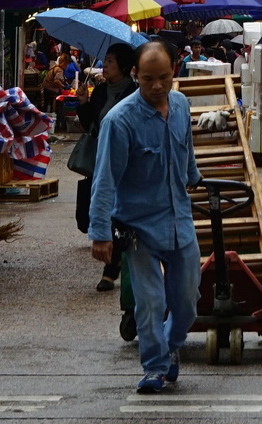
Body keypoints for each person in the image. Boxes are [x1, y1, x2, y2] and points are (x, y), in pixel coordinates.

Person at [88, 40, 201, 394]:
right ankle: (155, 367)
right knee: (150, 302)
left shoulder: (181, 105)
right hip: (138, 226)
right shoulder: (119, 121)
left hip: (179, 220)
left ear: (174, 73)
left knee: (187, 302)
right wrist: (100, 231)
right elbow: (104, 179)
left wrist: (195, 179)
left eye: (164, 78)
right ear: (135, 74)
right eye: (148, 78)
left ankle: (170, 346)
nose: (156, 86)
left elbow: (187, 154)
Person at [75, 42, 138, 291]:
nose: (105, 65)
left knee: (118, 216)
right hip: (98, 158)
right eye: (106, 60)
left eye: (110, 61)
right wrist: (83, 102)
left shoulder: (135, 92)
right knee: (88, 214)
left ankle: (111, 270)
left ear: (123, 66)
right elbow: (90, 123)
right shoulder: (100, 91)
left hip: (124, 162)